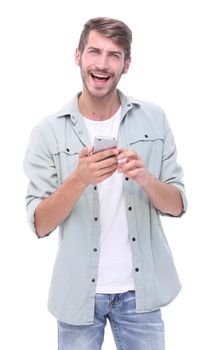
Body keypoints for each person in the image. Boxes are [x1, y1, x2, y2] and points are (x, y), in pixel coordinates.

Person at [24, 17, 187, 350]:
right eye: (94, 51)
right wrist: (79, 179)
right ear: (78, 56)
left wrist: (145, 178)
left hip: (141, 295)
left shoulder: (154, 119)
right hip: (78, 297)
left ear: (126, 64)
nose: (102, 63)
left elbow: (177, 205)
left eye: (114, 55)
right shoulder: (47, 132)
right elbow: (39, 224)